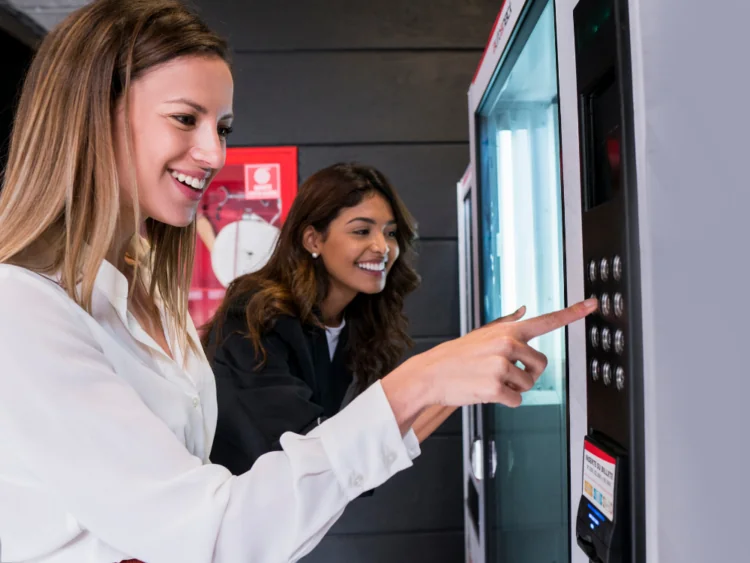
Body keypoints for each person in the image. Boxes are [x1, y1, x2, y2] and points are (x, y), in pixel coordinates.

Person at [0, 0, 597, 562]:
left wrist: (448, 375)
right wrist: (426, 380)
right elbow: (213, 529)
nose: (213, 153)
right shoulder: (23, 309)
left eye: (223, 127)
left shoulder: (149, 292)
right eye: (185, 118)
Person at [203, 162, 527, 475]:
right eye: (361, 231)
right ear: (313, 240)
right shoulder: (252, 319)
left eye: (390, 233)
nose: (382, 246)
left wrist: (468, 373)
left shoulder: (347, 322)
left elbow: (361, 454)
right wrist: (454, 366)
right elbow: (319, 459)